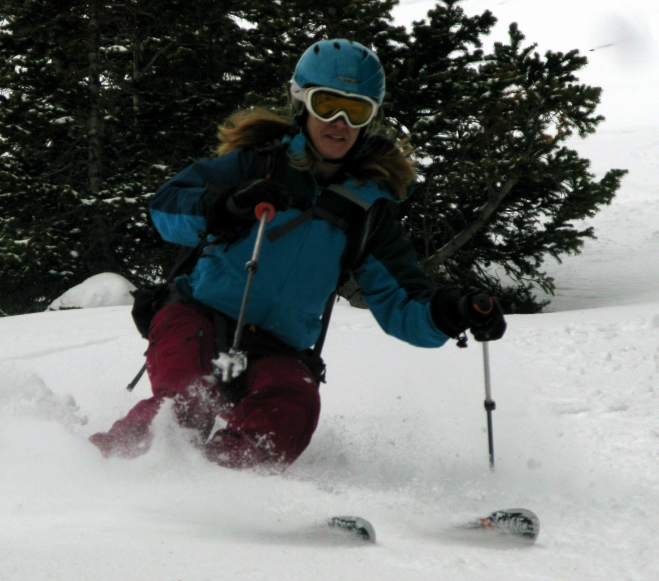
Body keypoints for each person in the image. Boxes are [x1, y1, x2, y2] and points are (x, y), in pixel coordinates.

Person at [90, 39, 506, 471]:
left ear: (371, 119)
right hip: (197, 317)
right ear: (302, 103)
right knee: (188, 402)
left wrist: (450, 312)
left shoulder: (367, 210)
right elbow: (165, 208)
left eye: (356, 111)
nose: (340, 124)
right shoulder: (256, 165)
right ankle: (106, 471)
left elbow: (402, 305)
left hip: (278, 348)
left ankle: (220, 485)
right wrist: (225, 205)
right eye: (328, 105)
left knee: (292, 406)